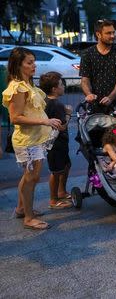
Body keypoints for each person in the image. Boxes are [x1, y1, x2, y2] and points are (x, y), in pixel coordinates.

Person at [2, 47, 62, 230]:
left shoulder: (27, 84)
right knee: (31, 178)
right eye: (29, 62)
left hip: (34, 139)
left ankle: (22, 209)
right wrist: (46, 121)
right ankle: (28, 217)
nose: (34, 65)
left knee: (31, 177)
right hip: (27, 141)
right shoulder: (17, 87)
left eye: (33, 61)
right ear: (18, 65)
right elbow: (15, 118)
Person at [40, 71, 73, 210]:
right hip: (57, 143)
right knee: (57, 171)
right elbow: (62, 126)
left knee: (65, 166)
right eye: (61, 84)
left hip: (52, 142)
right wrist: (68, 114)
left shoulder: (45, 101)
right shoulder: (57, 105)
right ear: (54, 89)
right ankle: (54, 199)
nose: (63, 87)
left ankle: (61, 192)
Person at [80, 19, 116, 114]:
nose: (112, 36)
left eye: (113, 32)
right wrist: (89, 94)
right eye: (108, 33)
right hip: (94, 107)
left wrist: (110, 97)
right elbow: (84, 80)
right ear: (98, 34)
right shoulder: (87, 54)